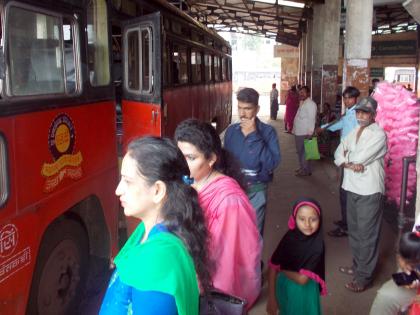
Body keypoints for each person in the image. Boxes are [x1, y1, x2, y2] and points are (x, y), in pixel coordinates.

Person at [99, 136, 212, 315]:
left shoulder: (156, 262)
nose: (118, 190)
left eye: (127, 181)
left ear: (158, 190)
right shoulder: (147, 229)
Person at [175, 119, 261, 308]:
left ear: (211, 159)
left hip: (208, 292)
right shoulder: (190, 182)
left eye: (190, 158)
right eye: (180, 156)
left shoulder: (229, 201)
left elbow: (225, 264)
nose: (182, 164)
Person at [334, 96, 387, 292]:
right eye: (358, 112)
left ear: (374, 115)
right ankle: (358, 267)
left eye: (365, 112)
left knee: (367, 235)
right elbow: (338, 152)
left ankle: (364, 277)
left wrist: (347, 158)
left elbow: (361, 157)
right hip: (352, 187)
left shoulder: (379, 135)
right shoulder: (355, 131)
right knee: (355, 232)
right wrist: (346, 161)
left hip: (369, 191)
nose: (360, 115)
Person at [224, 87, 281, 237]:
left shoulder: (268, 132)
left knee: (253, 235)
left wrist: (254, 136)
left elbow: (271, 163)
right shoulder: (231, 132)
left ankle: (254, 262)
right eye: (240, 108)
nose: (242, 114)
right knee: (233, 235)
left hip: (256, 190)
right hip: (234, 190)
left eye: (247, 109)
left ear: (257, 109)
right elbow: (226, 161)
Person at [266, 197, 327, 315]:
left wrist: (282, 268)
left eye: (313, 219)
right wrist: (272, 298)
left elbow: (302, 279)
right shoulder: (289, 238)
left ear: (320, 220)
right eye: (302, 219)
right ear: (294, 219)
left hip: (305, 292)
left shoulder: (317, 245)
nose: (307, 224)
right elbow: (272, 267)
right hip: (284, 288)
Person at [316, 86, 360, 238]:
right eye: (345, 98)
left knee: (346, 193)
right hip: (344, 157)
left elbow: (358, 136)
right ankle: (345, 221)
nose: (347, 101)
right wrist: (323, 128)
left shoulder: (358, 114)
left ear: (356, 99)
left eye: (350, 98)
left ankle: (347, 227)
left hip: (351, 159)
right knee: (343, 192)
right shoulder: (349, 113)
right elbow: (340, 124)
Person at [369, 216, 420, 315]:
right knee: (385, 298)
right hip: (416, 270)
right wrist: (405, 265)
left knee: (386, 297)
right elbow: (411, 248)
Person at [292, 85, 317, 177]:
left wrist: (310, 133)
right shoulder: (303, 102)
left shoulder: (311, 104)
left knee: (305, 152)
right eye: (300, 92)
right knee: (301, 151)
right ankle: (303, 168)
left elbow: (312, 119)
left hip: (305, 132)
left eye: (303, 92)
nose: (301, 94)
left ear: (308, 93)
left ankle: (305, 170)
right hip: (299, 131)